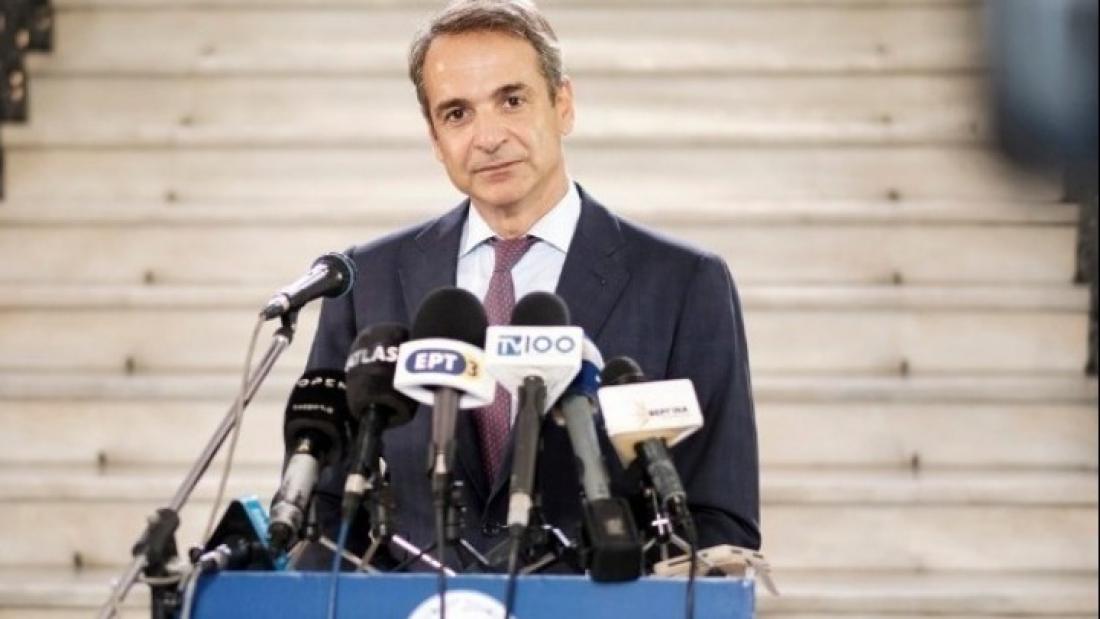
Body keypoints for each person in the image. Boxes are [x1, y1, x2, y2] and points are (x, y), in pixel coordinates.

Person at [299, 0, 760, 570]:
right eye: (457, 114)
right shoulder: (366, 281)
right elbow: (323, 511)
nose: (488, 137)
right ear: (435, 138)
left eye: (512, 101)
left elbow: (718, 522)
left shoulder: (685, 283)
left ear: (563, 105)